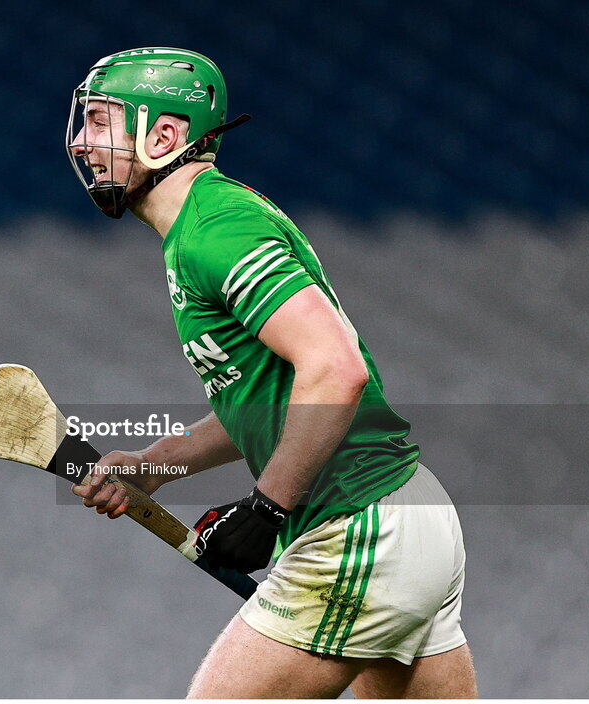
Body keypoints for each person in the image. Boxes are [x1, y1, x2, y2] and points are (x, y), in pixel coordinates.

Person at [66, 47, 478, 698]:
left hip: (356, 526)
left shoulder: (215, 231)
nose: (84, 142)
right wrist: (153, 464)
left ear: (165, 135)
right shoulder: (207, 224)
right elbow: (268, 400)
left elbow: (335, 369)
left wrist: (266, 508)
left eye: (99, 120)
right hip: (407, 518)